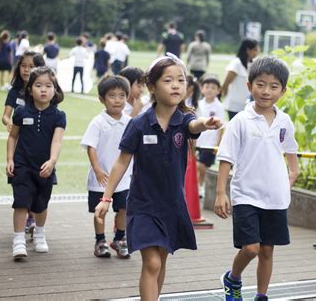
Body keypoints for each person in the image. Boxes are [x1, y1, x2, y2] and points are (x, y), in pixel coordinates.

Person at [95, 53, 222, 299]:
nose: (176, 85)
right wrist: (106, 198)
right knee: (152, 263)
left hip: (171, 205)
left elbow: (194, 126)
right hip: (143, 204)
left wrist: (205, 123)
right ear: (152, 87)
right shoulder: (139, 124)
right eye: (168, 80)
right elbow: (122, 162)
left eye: (181, 80)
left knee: (161, 261)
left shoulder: (184, 120)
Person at [214, 56, 299, 301]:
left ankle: (262, 295)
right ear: (249, 86)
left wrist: (290, 177)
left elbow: (291, 156)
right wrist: (221, 192)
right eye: (260, 84)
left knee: (268, 250)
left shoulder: (284, 121)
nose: (266, 91)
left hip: (275, 198)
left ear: (283, 91)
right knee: (251, 248)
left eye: (274, 86)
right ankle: (233, 278)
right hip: (246, 195)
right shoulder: (240, 121)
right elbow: (226, 158)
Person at [6, 66, 66, 260]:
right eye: (38, 85)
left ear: (55, 89)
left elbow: (57, 141)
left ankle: (39, 234)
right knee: (21, 202)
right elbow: (13, 137)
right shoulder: (21, 112)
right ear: (30, 89)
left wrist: (52, 161)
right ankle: (18, 240)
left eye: (48, 85)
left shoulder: (59, 115)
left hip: (44, 168)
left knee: (41, 203)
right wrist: (9, 159)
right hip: (22, 165)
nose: (43, 89)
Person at [81, 75, 133, 258]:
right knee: (100, 211)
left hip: (124, 178)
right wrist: (97, 169)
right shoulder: (98, 122)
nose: (117, 100)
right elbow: (91, 147)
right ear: (102, 99)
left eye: (121, 95)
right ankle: (100, 241)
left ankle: (119, 239)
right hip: (101, 179)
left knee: (124, 209)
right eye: (112, 96)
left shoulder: (129, 122)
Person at [195, 75, 225, 197]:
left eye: (213, 88)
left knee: (201, 165)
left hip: (210, 143)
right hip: (197, 141)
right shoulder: (198, 103)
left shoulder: (219, 107)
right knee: (197, 166)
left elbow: (221, 128)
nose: (209, 90)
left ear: (218, 90)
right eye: (207, 87)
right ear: (202, 89)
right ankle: (197, 186)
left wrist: (218, 145)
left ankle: (200, 186)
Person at [2, 52, 46, 132]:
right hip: (19, 137)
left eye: (31, 66)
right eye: (23, 66)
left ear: (40, 69)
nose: (26, 70)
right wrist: (8, 122)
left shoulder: (44, 92)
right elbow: (5, 116)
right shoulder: (14, 91)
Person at [222, 38, 259, 120]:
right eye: (255, 50)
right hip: (234, 106)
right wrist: (225, 98)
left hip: (246, 105)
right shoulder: (236, 63)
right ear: (247, 50)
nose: (257, 52)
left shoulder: (252, 63)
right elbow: (225, 84)